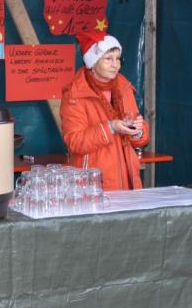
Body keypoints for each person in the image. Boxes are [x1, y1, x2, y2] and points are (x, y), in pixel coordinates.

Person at [60, 31, 149, 190]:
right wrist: (110, 127)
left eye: (118, 59)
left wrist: (138, 131)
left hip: (129, 182)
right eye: (108, 59)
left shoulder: (124, 87)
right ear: (92, 62)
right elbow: (75, 142)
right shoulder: (75, 94)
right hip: (94, 185)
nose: (116, 65)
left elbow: (140, 138)